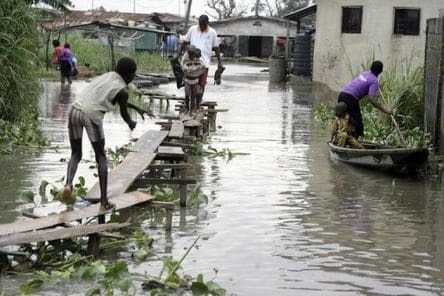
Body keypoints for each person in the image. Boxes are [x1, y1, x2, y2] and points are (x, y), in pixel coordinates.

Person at [62, 57, 153, 210]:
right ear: (129, 75)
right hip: (90, 115)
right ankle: (104, 202)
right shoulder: (122, 90)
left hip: (74, 110)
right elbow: (123, 112)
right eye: (134, 75)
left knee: (76, 154)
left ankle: (68, 184)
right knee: (101, 157)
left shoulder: (107, 76)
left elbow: (115, 99)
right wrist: (131, 123)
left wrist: (137, 108)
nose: (134, 77)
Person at [174, 14, 223, 109]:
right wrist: (177, 55)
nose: (202, 27)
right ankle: (191, 106)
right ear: (198, 23)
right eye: (200, 25)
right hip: (190, 63)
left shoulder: (212, 32)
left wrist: (219, 62)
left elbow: (216, 48)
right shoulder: (192, 29)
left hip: (204, 64)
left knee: (201, 86)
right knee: (189, 84)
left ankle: (197, 105)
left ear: (207, 24)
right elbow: (185, 42)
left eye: (204, 25)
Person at [338, 60, 392, 138]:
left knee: (345, 120)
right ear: (380, 71)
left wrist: (377, 87)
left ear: (371, 67)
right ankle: (354, 144)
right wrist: (384, 109)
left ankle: (343, 140)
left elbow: (364, 83)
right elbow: (370, 98)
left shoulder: (365, 73)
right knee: (358, 126)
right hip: (351, 98)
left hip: (342, 94)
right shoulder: (374, 80)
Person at [181, 45, 206, 113]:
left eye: (193, 54)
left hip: (195, 80)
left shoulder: (197, 58)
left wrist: (197, 67)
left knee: (193, 95)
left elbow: (203, 66)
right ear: (188, 53)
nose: (192, 56)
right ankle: (187, 108)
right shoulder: (185, 58)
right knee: (187, 94)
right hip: (187, 79)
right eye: (190, 54)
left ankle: (192, 109)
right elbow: (183, 67)